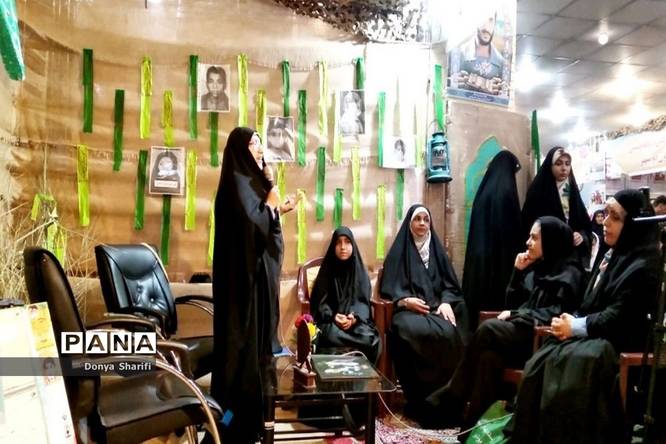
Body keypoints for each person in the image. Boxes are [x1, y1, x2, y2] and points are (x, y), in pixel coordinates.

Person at [506, 189, 661, 444]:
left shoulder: (644, 265)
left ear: (633, 225)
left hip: (619, 342)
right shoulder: (615, 256)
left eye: (615, 217)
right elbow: (590, 303)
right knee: (545, 357)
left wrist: (575, 325)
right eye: (605, 214)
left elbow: (620, 315)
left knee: (576, 364)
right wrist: (570, 320)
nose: (605, 222)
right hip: (597, 334)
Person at [425, 216, 586, 429]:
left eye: (534, 238)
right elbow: (511, 304)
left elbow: (555, 314)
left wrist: (516, 314)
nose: (528, 242)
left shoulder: (570, 274)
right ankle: (470, 429)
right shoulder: (540, 269)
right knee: (489, 358)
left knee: (489, 328)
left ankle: (452, 394)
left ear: (551, 241)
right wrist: (517, 273)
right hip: (521, 337)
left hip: (542, 343)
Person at [210, 127, 296, 443]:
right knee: (240, 359)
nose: (260, 149)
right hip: (240, 290)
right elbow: (249, 227)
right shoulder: (236, 183)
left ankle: (252, 423)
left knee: (257, 357)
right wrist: (271, 203)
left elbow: (259, 225)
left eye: (260, 143)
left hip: (254, 284)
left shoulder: (249, 183)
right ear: (239, 151)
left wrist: (276, 208)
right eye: (253, 144)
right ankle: (230, 426)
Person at [380, 204, 469, 420]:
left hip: (436, 308)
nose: (422, 223)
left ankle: (448, 402)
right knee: (410, 330)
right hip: (408, 312)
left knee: (451, 330)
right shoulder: (399, 252)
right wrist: (405, 301)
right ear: (409, 224)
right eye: (417, 219)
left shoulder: (437, 252)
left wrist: (446, 302)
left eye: (425, 219)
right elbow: (389, 289)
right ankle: (420, 402)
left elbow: (450, 286)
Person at [463, 150, 523, 324]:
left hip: (480, 259)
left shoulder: (483, 192)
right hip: (502, 261)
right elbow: (514, 232)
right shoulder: (508, 192)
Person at [310, 226, 381, 363]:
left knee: (369, 338)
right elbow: (319, 302)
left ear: (353, 245)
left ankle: (361, 374)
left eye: (347, 242)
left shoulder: (360, 272)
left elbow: (363, 302)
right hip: (332, 324)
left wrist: (354, 318)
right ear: (333, 246)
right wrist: (333, 316)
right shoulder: (327, 271)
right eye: (338, 242)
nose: (343, 247)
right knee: (326, 335)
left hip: (355, 324)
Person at [521, 146, 592, 266]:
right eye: (558, 164)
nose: (564, 168)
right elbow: (528, 226)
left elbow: (585, 225)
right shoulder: (538, 191)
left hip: (569, 260)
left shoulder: (572, 191)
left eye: (567, 164)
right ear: (550, 166)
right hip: (544, 258)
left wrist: (581, 235)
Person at [449, 12, 506, 96]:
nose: (486, 27)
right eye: (483, 19)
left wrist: (502, 91)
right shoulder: (458, 54)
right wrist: (452, 83)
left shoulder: (501, 63)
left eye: (490, 20)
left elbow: (505, 97)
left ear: (495, 23)